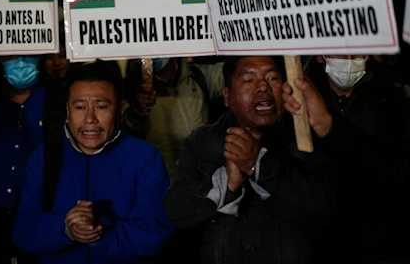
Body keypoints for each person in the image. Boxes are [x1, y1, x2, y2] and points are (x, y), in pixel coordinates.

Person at [164, 56, 350, 264]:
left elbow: (332, 211)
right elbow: (176, 212)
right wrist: (227, 186)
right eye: (248, 80)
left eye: (272, 78)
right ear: (227, 96)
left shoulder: (308, 139)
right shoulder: (201, 142)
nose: (262, 87)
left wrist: (259, 166)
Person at [11, 61, 174, 264]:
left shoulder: (145, 159)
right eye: (80, 107)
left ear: (121, 109)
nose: (90, 118)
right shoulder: (43, 158)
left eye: (101, 107)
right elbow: (22, 231)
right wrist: (66, 229)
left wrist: (100, 229)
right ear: (67, 110)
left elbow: (157, 232)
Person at [309, 55, 410, 264]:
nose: (347, 58)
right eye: (338, 51)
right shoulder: (297, 97)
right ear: (319, 55)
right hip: (321, 246)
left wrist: (330, 130)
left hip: (386, 245)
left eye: (355, 50)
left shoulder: (396, 94)